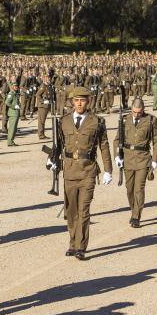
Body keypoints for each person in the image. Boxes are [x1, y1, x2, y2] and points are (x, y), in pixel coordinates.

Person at [48, 87, 112, 259]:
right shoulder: (64, 121)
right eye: (76, 100)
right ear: (71, 102)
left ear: (88, 101)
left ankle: (80, 247)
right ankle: (72, 242)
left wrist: (108, 169)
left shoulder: (97, 122)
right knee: (71, 211)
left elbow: (104, 146)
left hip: (87, 171)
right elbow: (58, 144)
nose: (79, 103)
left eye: (82, 100)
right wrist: (52, 159)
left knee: (83, 210)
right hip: (69, 171)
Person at [113, 98, 157, 228]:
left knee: (139, 189)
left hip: (143, 159)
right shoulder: (124, 119)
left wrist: (155, 160)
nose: (136, 114)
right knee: (129, 189)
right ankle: (134, 209)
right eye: (134, 112)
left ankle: (136, 216)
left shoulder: (151, 120)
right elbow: (117, 140)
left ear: (143, 110)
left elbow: (156, 141)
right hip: (128, 158)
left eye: (139, 112)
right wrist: (117, 156)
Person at [4, 82, 20, 146]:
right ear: (12, 87)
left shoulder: (15, 93)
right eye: (15, 86)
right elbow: (7, 102)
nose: (16, 87)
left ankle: (11, 141)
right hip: (13, 113)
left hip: (16, 113)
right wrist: (14, 106)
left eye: (17, 86)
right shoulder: (11, 94)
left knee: (14, 129)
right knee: (12, 128)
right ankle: (10, 142)